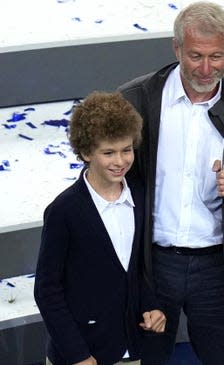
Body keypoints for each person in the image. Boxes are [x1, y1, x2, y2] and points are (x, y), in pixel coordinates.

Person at [118, 1, 224, 364]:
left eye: (216, 56)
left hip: (216, 269)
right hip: (152, 266)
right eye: (196, 55)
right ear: (176, 48)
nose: (205, 68)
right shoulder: (134, 102)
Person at [34, 91, 166, 365]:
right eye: (108, 152)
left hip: (131, 349)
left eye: (126, 150)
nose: (120, 161)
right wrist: (78, 355)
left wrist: (151, 306)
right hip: (81, 355)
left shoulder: (139, 196)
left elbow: (134, 269)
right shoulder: (63, 211)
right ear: (85, 152)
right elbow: (47, 290)